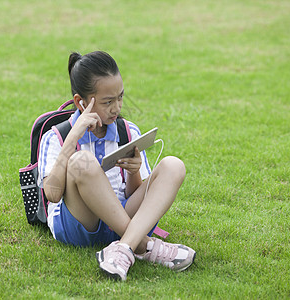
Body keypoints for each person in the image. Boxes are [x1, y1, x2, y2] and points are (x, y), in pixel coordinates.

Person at [38, 51, 196, 281]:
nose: (116, 107)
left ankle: (123, 248)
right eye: (107, 102)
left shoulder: (127, 130)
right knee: (83, 161)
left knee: (174, 165)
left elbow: (135, 194)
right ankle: (144, 246)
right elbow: (51, 195)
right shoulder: (57, 136)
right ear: (80, 102)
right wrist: (73, 139)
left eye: (120, 98)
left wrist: (133, 172)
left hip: (123, 216)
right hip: (81, 225)